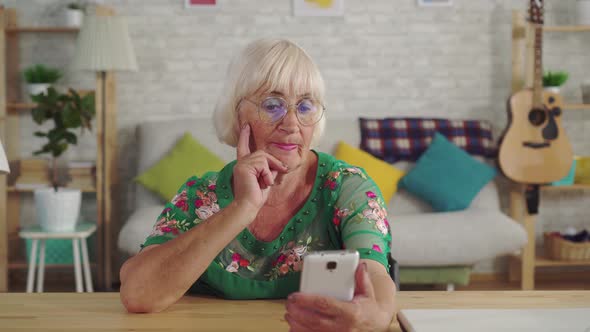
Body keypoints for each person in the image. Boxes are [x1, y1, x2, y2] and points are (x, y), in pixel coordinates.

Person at [119, 38, 396, 331]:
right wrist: (243, 207)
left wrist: (373, 318)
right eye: (273, 105)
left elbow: (375, 275)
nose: (291, 124)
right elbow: (138, 295)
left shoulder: (347, 187)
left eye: (305, 107)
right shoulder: (200, 195)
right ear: (238, 115)